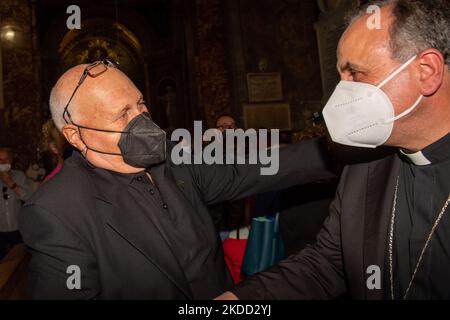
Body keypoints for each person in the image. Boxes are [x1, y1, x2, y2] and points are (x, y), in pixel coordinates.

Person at [19, 60, 335, 299]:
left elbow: (252, 168)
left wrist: (340, 149)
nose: (141, 120)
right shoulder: (56, 210)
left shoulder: (173, 157)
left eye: (140, 104)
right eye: (122, 114)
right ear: (76, 135)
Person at [217, 0, 450, 300]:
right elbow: (327, 263)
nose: (341, 93)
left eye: (354, 73)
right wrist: (237, 301)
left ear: (427, 71)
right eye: (341, 76)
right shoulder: (365, 167)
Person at [0, 147, 31, 260]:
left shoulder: (19, 176)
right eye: (0, 160)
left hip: (17, 228)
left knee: (18, 262)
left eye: (6, 159)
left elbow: (29, 197)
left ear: (11, 160)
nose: (3, 162)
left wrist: (10, 183)